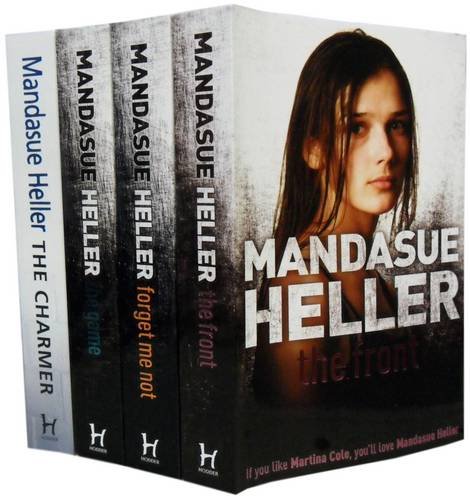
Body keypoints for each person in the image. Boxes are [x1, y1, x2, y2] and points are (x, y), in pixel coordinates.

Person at [253, 30, 419, 405]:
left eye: (397, 125)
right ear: (313, 149)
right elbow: (292, 435)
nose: (386, 152)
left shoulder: (375, 281)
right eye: (356, 128)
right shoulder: (302, 289)